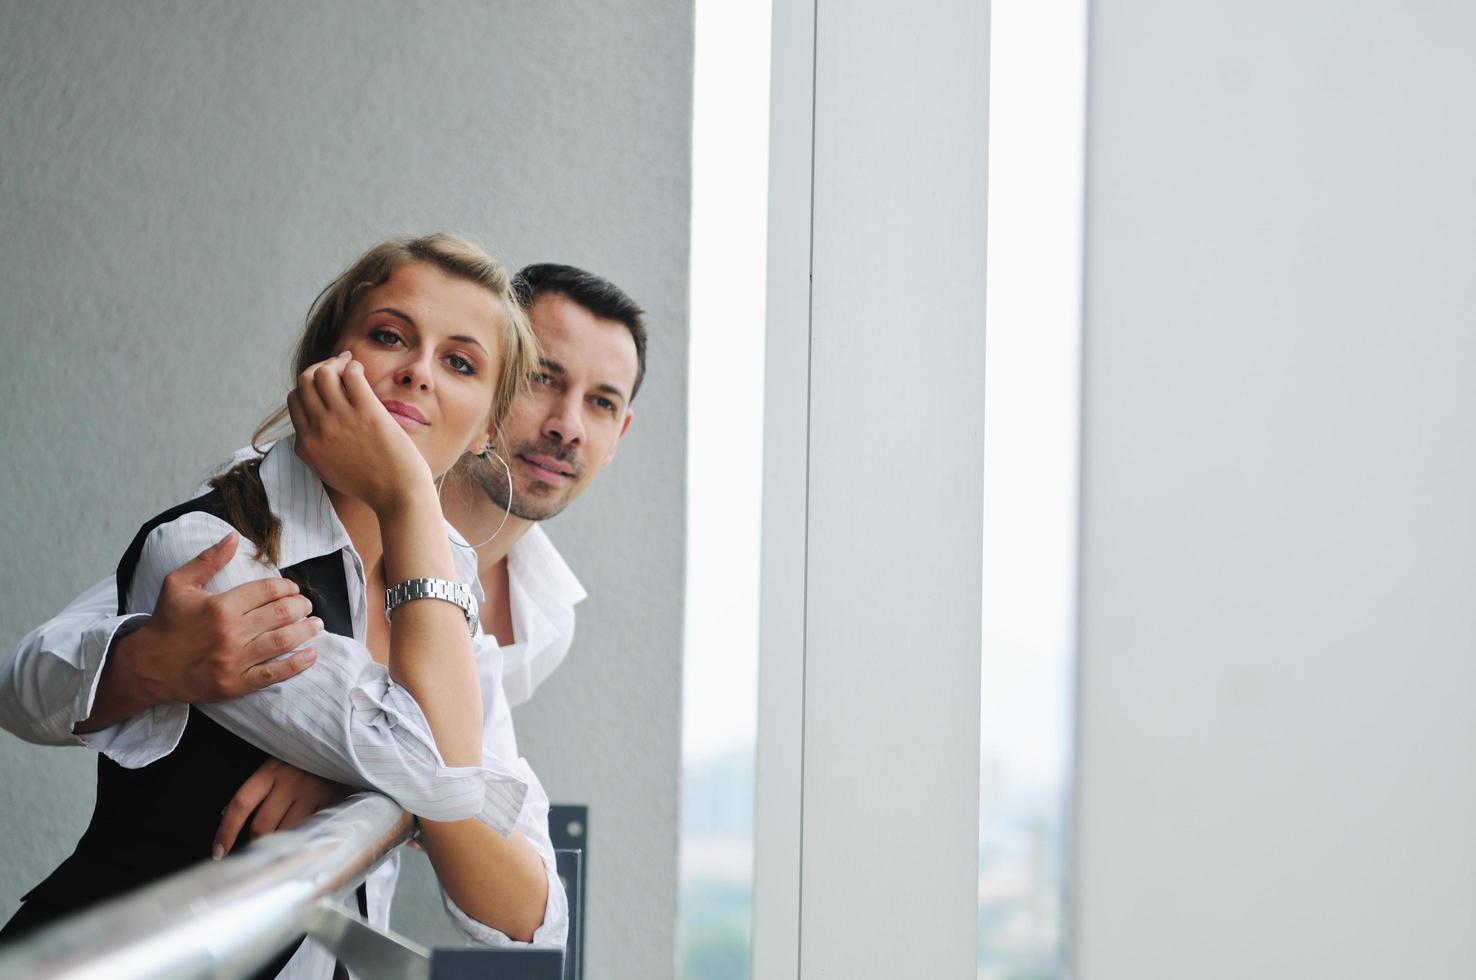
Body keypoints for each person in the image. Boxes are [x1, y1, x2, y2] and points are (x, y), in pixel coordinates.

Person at [0, 234, 575, 978]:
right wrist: (405, 495)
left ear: (488, 428)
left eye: (459, 362)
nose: (416, 373)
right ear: (324, 364)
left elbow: (529, 916)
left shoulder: (448, 599)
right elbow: (441, 774)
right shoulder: (209, 548)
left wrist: (365, 786)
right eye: (389, 336)